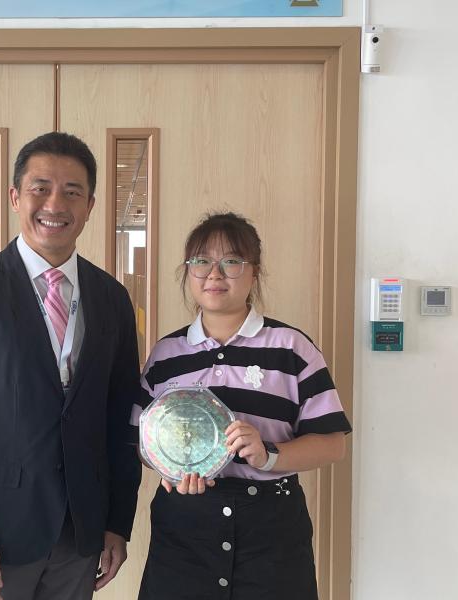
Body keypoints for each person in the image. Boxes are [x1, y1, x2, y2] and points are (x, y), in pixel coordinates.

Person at [0, 132, 142, 600]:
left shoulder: (112, 300)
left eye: (72, 191)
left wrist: (118, 522)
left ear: (90, 205)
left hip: (82, 533)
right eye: (40, 187)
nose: (55, 203)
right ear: (15, 197)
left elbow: (124, 419)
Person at [133, 212, 352, 600]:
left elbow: (333, 443)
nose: (214, 274)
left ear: (254, 272)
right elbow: (142, 439)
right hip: (185, 528)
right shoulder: (166, 354)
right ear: (188, 271)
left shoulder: (291, 348)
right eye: (201, 261)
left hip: (270, 531)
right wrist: (165, 462)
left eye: (231, 261)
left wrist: (268, 454)